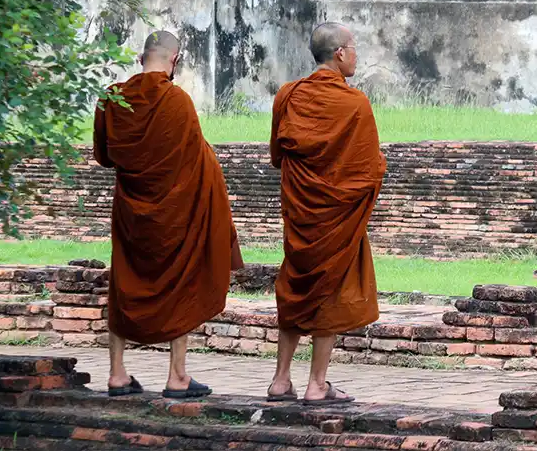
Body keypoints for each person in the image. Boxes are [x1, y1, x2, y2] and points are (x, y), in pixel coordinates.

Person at [93, 30, 243, 399]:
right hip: (175, 211)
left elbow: (103, 156)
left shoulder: (111, 98)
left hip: (131, 211)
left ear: (142, 57)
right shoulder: (176, 101)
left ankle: (116, 374)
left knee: (123, 283)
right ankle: (177, 376)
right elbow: (195, 159)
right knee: (181, 281)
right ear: (175, 60)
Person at [265, 22, 387, 405]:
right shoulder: (354, 104)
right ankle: (317, 384)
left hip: (302, 217)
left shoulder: (287, 96)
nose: (356, 55)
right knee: (329, 292)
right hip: (335, 219)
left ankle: (280, 381)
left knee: (295, 288)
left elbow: (277, 157)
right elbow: (370, 169)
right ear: (339, 53)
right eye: (353, 48)